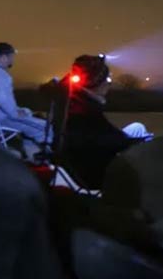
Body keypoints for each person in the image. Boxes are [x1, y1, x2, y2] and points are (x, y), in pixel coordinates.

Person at [57, 54, 152, 190]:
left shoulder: (75, 99)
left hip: (87, 155)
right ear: (96, 83)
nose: (109, 82)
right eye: (107, 78)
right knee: (145, 140)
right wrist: (138, 141)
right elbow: (107, 139)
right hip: (94, 171)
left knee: (137, 127)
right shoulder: (84, 110)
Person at [0, 42, 49, 159]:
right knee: (45, 127)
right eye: (11, 57)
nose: (12, 61)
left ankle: (31, 154)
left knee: (28, 115)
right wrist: (15, 113)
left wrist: (20, 110)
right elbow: (2, 99)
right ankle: (45, 159)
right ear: (4, 57)